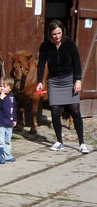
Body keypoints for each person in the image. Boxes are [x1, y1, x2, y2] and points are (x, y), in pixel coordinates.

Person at [36, 20, 90, 154]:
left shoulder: (70, 44)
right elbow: (41, 64)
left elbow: (77, 62)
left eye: (59, 33)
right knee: (55, 110)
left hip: (69, 79)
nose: (57, 36)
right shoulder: (45, 46)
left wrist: (78, 80)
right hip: (54, 81)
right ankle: (59, 141)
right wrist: (39, 81)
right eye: (54, 34)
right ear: (50, 34)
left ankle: (82, 143)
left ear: (62, 32)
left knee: (75, 110)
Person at [0, 75, 17, 164]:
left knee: (7, 140)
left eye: (4, 86)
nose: (2, 88)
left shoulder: (11, 98)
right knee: (0, 140)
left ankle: (7, 155)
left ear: (10, 88)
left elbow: (13, 109)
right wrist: (0, 98)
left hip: (9, 123)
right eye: (0, 86)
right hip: (0, 123)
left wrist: (14, 119)